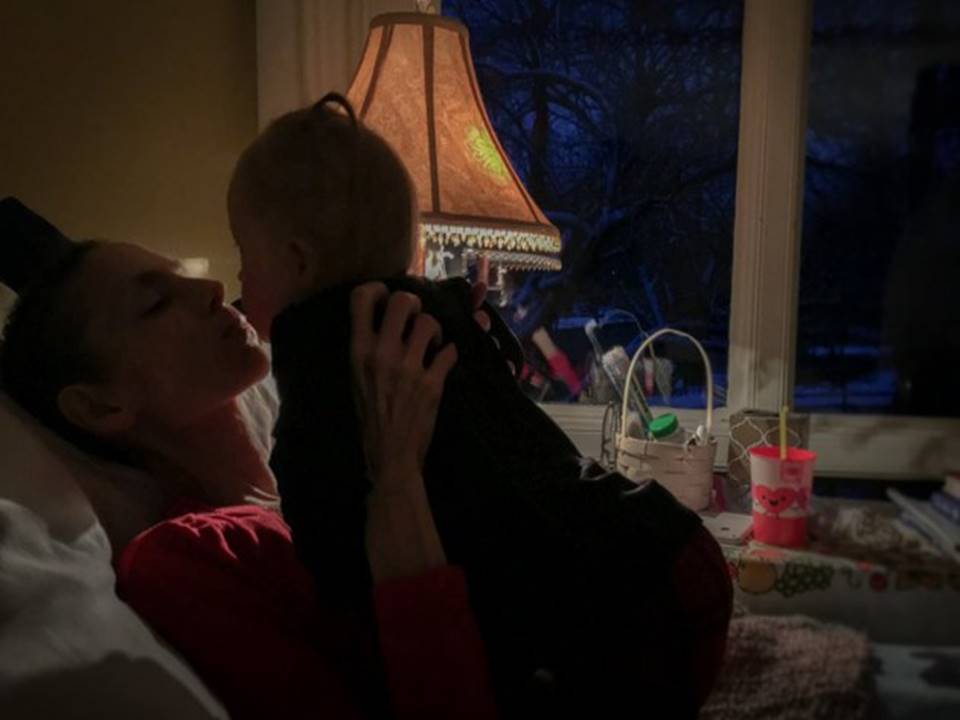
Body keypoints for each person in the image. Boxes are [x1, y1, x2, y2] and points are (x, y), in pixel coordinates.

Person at [227, 93, 731, 716]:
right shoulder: (445, 315)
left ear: (297, 261)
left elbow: (337, 570)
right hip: (656, 547)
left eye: (244, 260)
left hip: (623, 604)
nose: (235, 284)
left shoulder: (320, 369)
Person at [0, 236, 498, 719]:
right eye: (155, 303)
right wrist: (397, 480)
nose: (212, 288)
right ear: (100, 405)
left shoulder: (327, 469)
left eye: (185, 276)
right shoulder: (182, 562)